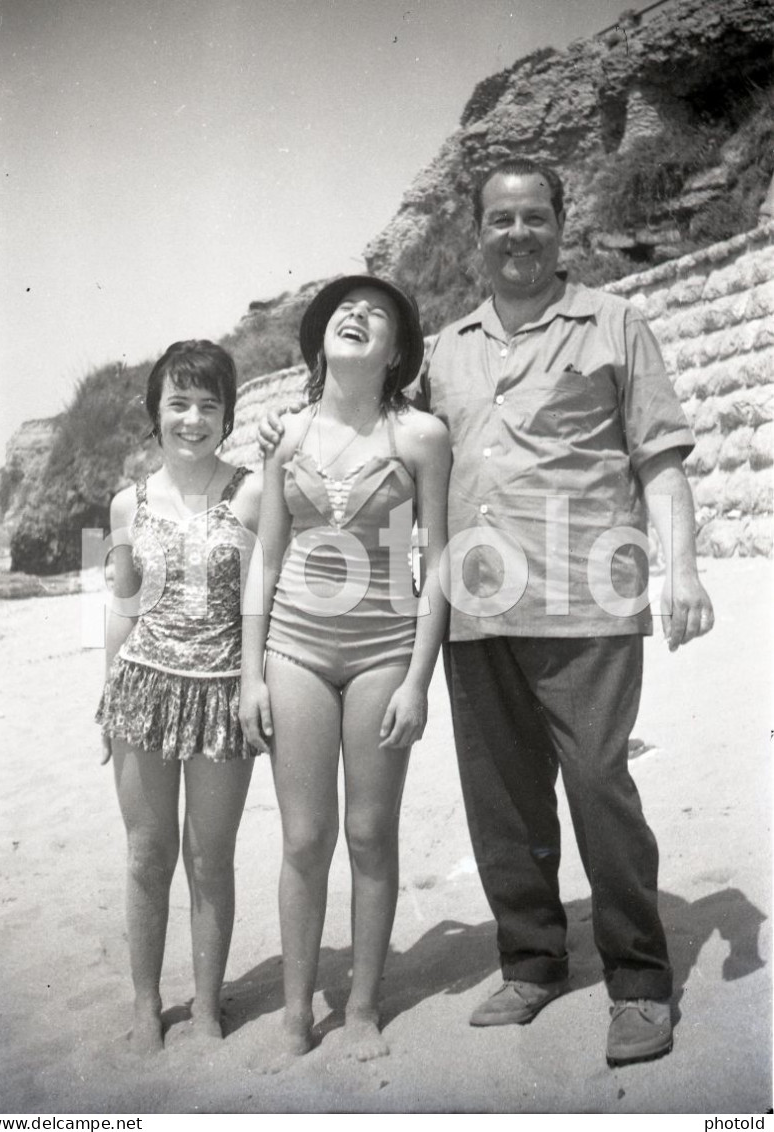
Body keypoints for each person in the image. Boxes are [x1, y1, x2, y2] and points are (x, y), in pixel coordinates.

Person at [259, 161, 714, 1068]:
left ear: (559, 225)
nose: (518, 233)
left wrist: (684, 569)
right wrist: (285, 438)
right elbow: (374, 436)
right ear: (477, 234)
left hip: (587, 595)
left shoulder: (616, 324)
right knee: (501, 802)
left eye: (533, 217)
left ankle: (636, 981)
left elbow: (659, 457)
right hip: (474, 606)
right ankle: (533, 960)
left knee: (596, 784)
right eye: (500, 219)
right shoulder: (448, 349)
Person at [241, 275, 451, 1065]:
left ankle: (361, 1006)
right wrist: (249, 675)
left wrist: (416, 680)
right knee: (303, 838)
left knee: (369, 833)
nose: (358, 316)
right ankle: (296, 1013)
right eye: (343, 310)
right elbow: (264, 559)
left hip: (383, 653)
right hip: (292, 647)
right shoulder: (285, 437)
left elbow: (435, 566)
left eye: (379, 315)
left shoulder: (419, 437)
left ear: (396, 352)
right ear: (317, 339)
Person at [96, 339, 262, 1054]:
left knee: (208, 857)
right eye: (178, 404)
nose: (192, 418)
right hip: (142, 689)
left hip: (223, 692)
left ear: (226, 415)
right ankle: (142, 1005)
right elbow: (120, 605)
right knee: (146, 854)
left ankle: (203, 1007)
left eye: (208, 404)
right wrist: (107, 695)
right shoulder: (124, 502)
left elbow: (265, 596)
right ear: (154, 413)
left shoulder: (253, 490)